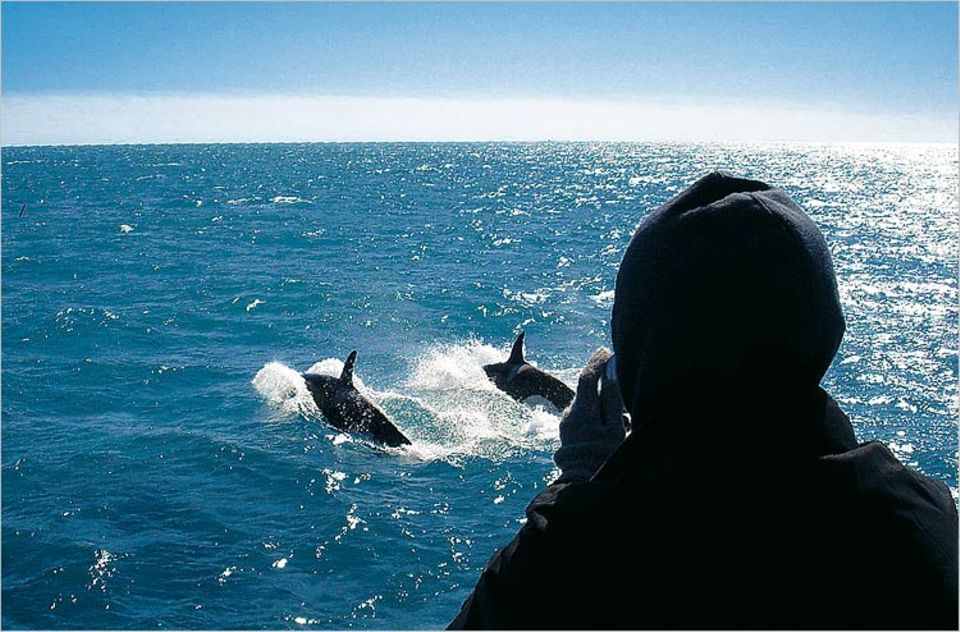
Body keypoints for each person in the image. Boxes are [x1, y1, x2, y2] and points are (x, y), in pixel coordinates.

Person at [448, 171, 958, 629]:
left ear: (644, 343)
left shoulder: (590, 554)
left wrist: (577, 488)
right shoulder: (925, 516)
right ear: (822, 326)